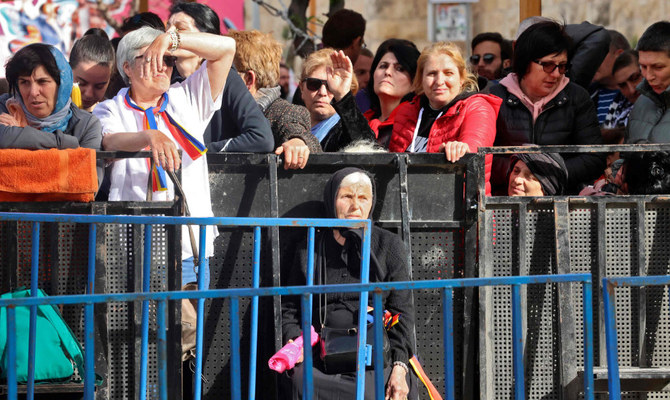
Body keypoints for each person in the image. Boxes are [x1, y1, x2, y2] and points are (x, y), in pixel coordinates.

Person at [93, 26, 235, 289]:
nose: (163, 67)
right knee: (141, 329)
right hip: (135, 247)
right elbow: (109, 140)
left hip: (189, 245)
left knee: (190, 327)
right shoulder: (109, 108)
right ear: (127, 67)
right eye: (151, 59)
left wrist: (171, 40)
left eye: (168, 59)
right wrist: (149, 136)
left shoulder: (188, 96)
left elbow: (227, 48)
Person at [281, 167, 416, 400]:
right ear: (332, 200)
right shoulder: (310, 246)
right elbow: (290, 307)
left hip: (375, 354)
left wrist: (399, 366)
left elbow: (401, 312)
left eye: (363, 198)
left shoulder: (388, 245)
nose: (356, 206)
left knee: (374, 391)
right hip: (321, 354)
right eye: (347, 197)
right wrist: (295, 342)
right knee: (300, 383)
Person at [490, 20, 604, 194]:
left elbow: (594, 158)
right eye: (548, 65)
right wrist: (517, 172)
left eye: (562, 66)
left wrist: (548, 174)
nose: (556, 73)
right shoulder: (494, 96)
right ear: (525, 61)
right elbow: (479, 155)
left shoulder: (577, 97)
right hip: (503, 203)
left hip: (561, 205)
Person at [390, 42, 501, 195]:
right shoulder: (406, 111)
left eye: (448, 73)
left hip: (461, 211)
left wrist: (460, 148)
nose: (439, 81)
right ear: (421, 78)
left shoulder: (477, 107)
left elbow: (474, 147)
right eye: (431, 73)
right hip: (408, 209)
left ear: (461, 78)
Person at [167, 2, 273, 153]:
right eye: (168, 28)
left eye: (180, 29)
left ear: (207, 38)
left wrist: (200, 153)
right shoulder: (165, 81)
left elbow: (261, 138)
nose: (170, 34)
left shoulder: (227, 79)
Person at [227, 29, 321, 169]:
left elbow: (297, 129)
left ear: (248, 80)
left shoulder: (282, 111)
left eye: (226, 72)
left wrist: (298, 142)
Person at [0, 43, 102, 152]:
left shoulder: (85, 126)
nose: (33, 92)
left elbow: (90, 168)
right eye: (24, 82)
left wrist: (18, 133)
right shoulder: (6, 107)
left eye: (42, 81)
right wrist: (62, 142)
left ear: (62, 85)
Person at [299, 48, 376, 152]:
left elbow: (367, 146)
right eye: (314, 84)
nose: (322, 92)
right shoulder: (290, 126)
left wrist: (343, 95)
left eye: (330, 87)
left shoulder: (344, 131)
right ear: (302, 88)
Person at [293, 8, 366, 107]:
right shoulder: (340, 81)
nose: (323, 92)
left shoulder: (309, 77)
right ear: (356, 41)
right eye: (315, 85)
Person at [364, 39, 420, 147]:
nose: (388, 72)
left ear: (415, 83)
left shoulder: (418, 124)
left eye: (399, 68)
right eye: (383, 66)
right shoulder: (361, 121)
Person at [626, 21, 670, 143]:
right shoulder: (642, 102)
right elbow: (627, 153)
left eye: (658, 67)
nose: (648, 76)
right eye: (643, 67)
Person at [590, 30, 631, 125]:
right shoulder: (586, 95)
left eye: (597, 55)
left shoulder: (638, 94)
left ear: (620, 55)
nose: (591, 61)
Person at [69, 29, 115, 112]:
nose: (88, 94)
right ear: (68, 70)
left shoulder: (111, 116)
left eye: (99, 87)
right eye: (81, 84)